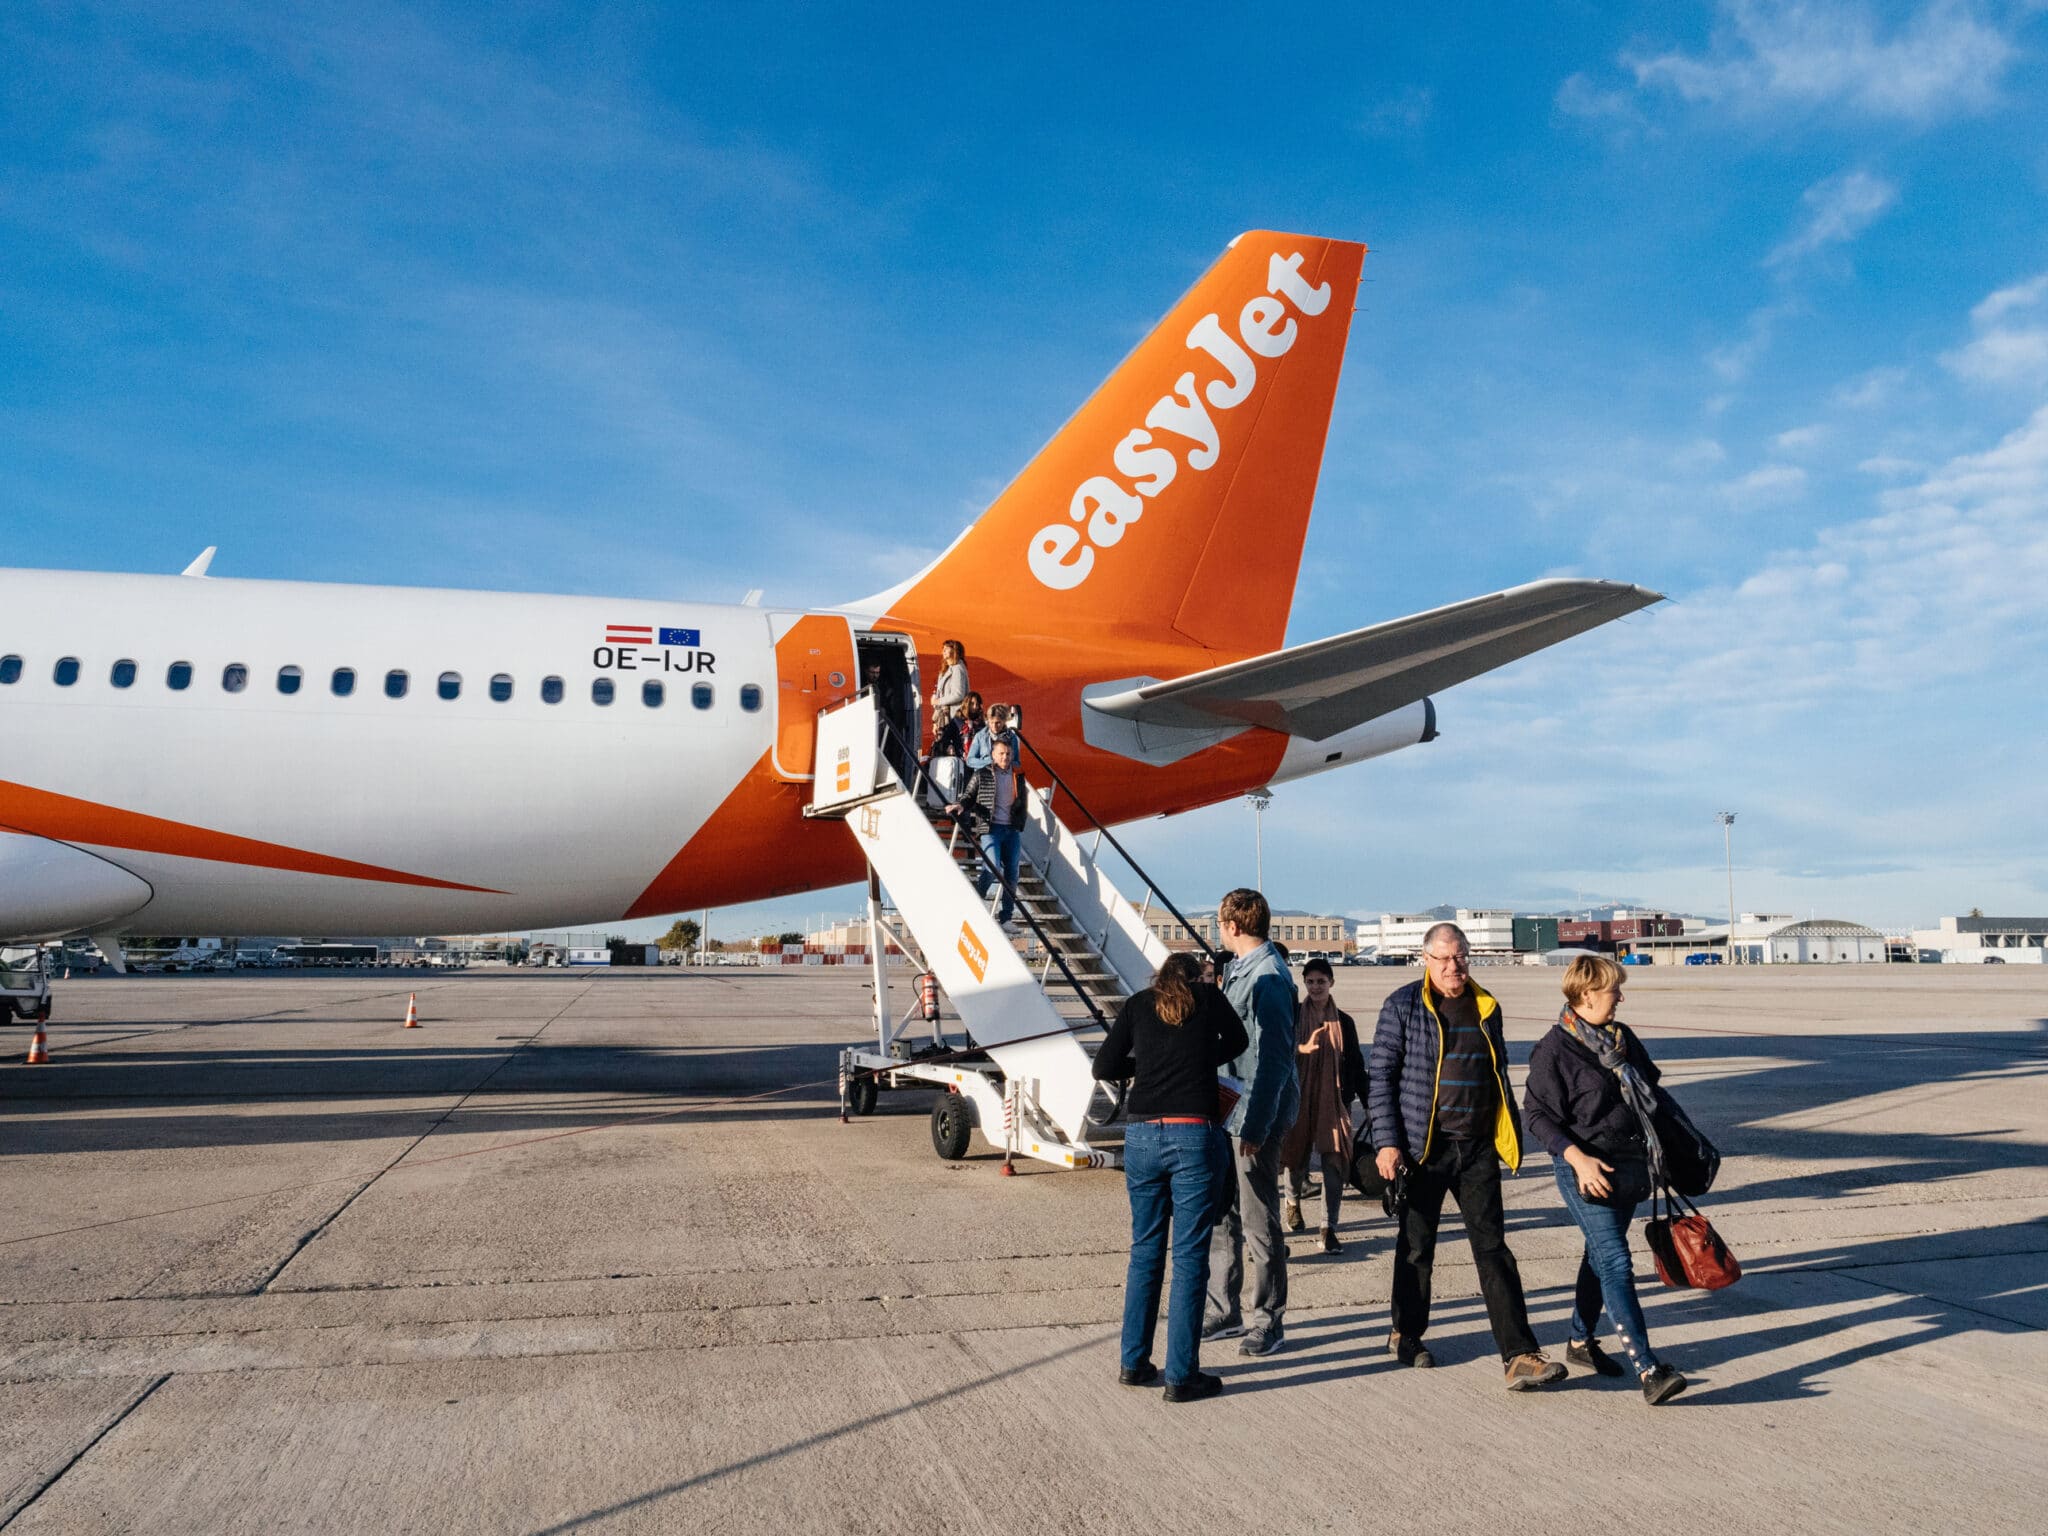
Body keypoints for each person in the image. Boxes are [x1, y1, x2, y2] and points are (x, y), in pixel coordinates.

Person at [1368, 922, 1566, 1390]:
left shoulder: (1485, 1004)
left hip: (1476, 1147)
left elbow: (1497, 1072)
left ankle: (1518, 1355)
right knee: (1417, 1248)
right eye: (1444, 958)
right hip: (1424, 1148)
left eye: (1461, 956)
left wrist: (1506, 1134)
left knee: (1493, 1249)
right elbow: (1381, 1079)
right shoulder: (1403, 1005)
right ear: (1426, 960)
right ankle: (1406, 1334)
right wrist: (1388, 1142)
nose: (1454, 966)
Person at [1524, 954, 1687, 1405]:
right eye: (1614, 989)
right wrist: (1577, 1159)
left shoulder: (1623, 1038)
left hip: (1630, 1167)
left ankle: (1579, 1340)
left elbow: (1652, 1092)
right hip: (1585, 1171)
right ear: (1588, 993)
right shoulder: (1553, 1049)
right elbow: (1536, 1116)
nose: (1620, 997)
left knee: (1599, 1257)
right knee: (1616, 1262)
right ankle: (1649, 1369)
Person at [1093, 952, 1248, 1404]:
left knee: (1144, 1252)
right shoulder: (1209, 998)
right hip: (1192, 1133)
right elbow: (1237, 1041)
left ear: (1160, 977)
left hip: (1141, 1135)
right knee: (1189, 1257)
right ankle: (1182, 1374)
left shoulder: (1139, 1004)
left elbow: (1103, 1066)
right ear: (1198, 976)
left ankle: (1134, 1362)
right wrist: (1197, 1057)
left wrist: (1145, 1065)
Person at [1202, 888, 1300, 1358]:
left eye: (1219, 922)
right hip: (1229, 1110)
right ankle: (1224, 1309)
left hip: (1252, 1118)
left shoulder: (1268, 978)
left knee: (1259, 1220)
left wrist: (1258, 1128)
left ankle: (1268, 1319)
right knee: (1224, 1213)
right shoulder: (1240, 970)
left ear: (1233, 926)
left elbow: (1275, 1061)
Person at [1279, 957, 1366, 1253]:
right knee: (1294, 1156)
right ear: (1304, 983)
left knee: (1334, 1162)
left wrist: (1365, 1101)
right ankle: (1292, 1200)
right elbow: (1278, 1056)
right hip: (1297, 1097)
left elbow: (1355, 1064)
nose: (1316, 986)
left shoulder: (1344, 1022)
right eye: (1311, 981)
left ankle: (1329, 1227)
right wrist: (1300, 1049)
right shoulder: (1292, 1016)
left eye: (1321, 981)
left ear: (1331, 982)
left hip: (1333, 1101)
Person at [945, 738, 1026, 927]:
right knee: (992, 868)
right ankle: (978, 898)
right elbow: (968, 796)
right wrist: (960, 806)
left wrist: (1020, 822)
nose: (1005, 757)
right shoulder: (982, 774)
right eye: (1001, 753)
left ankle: (1006, 917)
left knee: (1012, 874)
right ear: (993, 755)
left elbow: (1022, 802)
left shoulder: (1018, 776)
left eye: (1008, 753)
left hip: (1011, 830)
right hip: (992, 828)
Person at [965, 702, 1021, 770]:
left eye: (998, 723)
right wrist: (989, 763)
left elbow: (1017, 763)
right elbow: (970, 760)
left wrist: (1004, 763)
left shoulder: (1012, 737)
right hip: (984, 776)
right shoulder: (980, 736)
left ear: (1004, 721)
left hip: (1005, 775)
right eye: (991, 722)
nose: (994, 726)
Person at [930, 639, 969, 735]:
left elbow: (958, 694)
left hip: (955, 718)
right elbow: (940, 694)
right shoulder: (946, 669)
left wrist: (938, 701)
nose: (943, 651)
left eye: (946, 648)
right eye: (943, 648)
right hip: (944, 718)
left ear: (954, 650)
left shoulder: (957, 669)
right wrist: (935, 722)